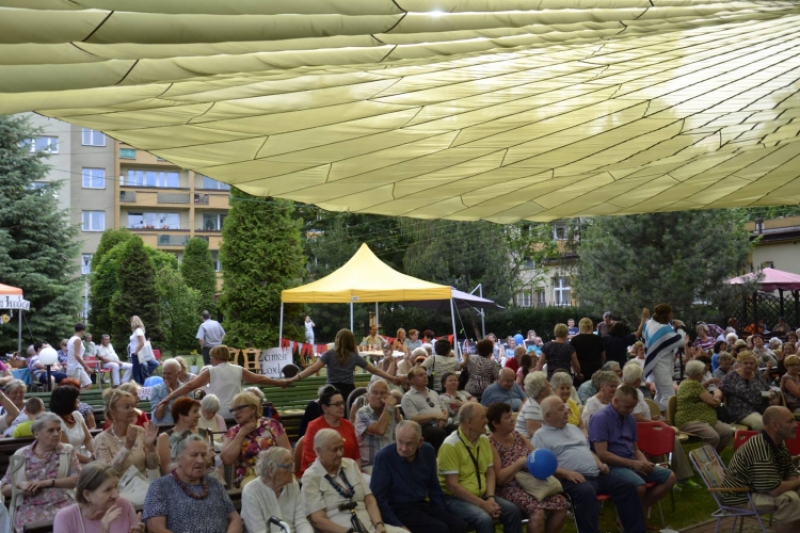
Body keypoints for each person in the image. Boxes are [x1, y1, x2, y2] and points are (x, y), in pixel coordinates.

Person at [533, 396, 646, 533]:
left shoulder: (573, 429)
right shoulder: (540, 437)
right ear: (548, 416)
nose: (566, 411)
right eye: (561, 409)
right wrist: (567, 473)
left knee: (627, 487)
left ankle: (636, 530)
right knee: (585, 492)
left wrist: (599, 463)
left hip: (596, 474)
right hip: (571, 479)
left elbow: (587, 450)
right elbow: (542, 466)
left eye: (565, 407)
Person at [589, 386, 676, 528]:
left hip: (631, 462)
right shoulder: (600, 418)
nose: (631, 410)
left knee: (669, 477)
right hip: (612, 466)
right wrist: (634, 464)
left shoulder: (629, 418)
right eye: (628, 407)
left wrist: (644, 462)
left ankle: (636, 512)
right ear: (616, 400)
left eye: (633, 407)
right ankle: (629, 520)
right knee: (638, 485)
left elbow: (635, 448)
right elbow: (602, 454)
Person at [437, 403, 522, 533]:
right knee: (484, 519)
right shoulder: (450, 445)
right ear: (469, 422)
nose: (487, 421)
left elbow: (490, 473)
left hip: (482, 495)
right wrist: (483, 504)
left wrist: (491, 498)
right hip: (455, 499)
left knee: (513, 511)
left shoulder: (483, 440)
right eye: (482, 417)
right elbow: (452, 485)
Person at [371, 420, 468, 533]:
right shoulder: (384, 456)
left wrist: (441, 511)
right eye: (400, 442)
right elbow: (378, 497)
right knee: (439, 529)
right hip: (398, 507)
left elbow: (433, 486)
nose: (403, 448)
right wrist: (398, 524)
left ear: (420, 442)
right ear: (395, 437)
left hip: (422, 504)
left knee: (459, 525)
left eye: (409, 443)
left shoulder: (428, 450)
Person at [486, 402, 569, 533]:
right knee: (538, 512)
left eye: (511, 416)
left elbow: (537, 456)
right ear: (495, 423)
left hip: (532, 482)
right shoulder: (491, 443)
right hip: (510, 487)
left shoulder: (518, 436)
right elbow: (500, 478)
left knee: (562, 505)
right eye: (507, 417)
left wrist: (561, 472)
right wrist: (519, 463)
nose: (512, 419)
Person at [302, 429, 402, 533]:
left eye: (341, 448)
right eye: (334, 450)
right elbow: (317, 520)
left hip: (370, 527)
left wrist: (379, 525)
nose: (340, 453)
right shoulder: (311, 477)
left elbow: (369, 499)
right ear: (318, 451)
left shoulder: (351, 465)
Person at [720, 406, 800, 533]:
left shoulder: (778, 443)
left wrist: (796, 482)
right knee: (790, 500)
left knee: (795, 493)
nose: (796, 425)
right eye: (789, 422)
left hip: (757, 489)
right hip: (740, 497)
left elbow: (789, 472)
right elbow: (775, 490)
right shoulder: (761, 448)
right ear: (775, 425)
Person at [158, 345, 291, 419]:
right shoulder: (239, 369)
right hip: (236, 413)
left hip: (216, 413)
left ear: (216, 357)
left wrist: (170, 396)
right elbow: (260, 378)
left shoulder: (211, 371)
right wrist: (281, 383)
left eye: (211, 357)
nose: (210, 360)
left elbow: (190, 386)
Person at [144, 434, 242, 533]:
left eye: (203, 455)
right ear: (178, 459)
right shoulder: (160, 487)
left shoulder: (214, 483)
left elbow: (235, 519)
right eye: (194, 455)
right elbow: (156, 528)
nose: (200, 460)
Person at [1, 413, 80, 533]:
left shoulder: (67, 451)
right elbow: (4, 488)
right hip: (29, 509)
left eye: (59, 430)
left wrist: (47, 483)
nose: (56, 434)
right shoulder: (21, 454)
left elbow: (77, 479)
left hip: (62, 505)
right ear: (36, 434)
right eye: (51, 430)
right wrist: (19, 486)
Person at [295, 328, 402, 402]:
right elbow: (374, 370)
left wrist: (293, 379)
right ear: (351, 341)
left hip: (330, 391)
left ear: (337, 339)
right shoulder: (354, 357)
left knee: (312, 407)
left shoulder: (329, 354)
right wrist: (392, 378)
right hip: (349, 393)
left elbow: (313, 369)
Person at [222, 391, 291, 488]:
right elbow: (226, 460)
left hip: (275, 471)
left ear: (253, 409)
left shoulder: (271, 425)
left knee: (290, 484)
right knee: (256, 487)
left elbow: (287, 451)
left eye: (240, 408)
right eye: (233, 410)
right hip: (248, 476)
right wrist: (241, 434)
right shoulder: (233, 432)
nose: (236, 413)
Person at [53, 461, 144, 533]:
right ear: (87, 495)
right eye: (107, 490)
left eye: (116, 486)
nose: (116, 495)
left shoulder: (123, 504)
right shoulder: (65, 518)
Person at [241, 447, 312, 533]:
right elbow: (259, 530)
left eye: (292, 465)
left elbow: (301, 521)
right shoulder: (251, 491)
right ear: (271, 471)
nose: (293, 470)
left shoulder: (293, 485)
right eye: (288, 466)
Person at [94, 389, 159, 476]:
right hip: (116, 488)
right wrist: (127, 447)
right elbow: (107, 473)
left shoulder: (139, 431)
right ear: (113, 413)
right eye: (127, 407)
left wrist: (150, 447)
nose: (132, 410)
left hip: (142, 486)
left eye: (132, 406)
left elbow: (152, 466)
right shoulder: (101, 440)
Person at [300, 387, 360, 477]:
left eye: (342, 403)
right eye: (337, 404)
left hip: (350, 473)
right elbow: (311, 461)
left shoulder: (348, 424)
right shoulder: (314, 427)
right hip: (322, 475)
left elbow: (357, 456)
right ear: (324, 408)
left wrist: (356, 475)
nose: (342, 407)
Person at [675, 360, 733, 451]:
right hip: (689, 420)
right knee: (713, 437)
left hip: (704, 419)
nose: (703, 375)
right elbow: (714, 403)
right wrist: (717, 394)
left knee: (727, 432)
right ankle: (702, 462)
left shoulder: (689, 383)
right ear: (698, 374)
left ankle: (713, 457)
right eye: (702, 373)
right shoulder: (693, 385)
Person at [718, 351, 778, 431]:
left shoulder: (758, 375)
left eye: (751, 363)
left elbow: (766, 390)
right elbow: (719, 389)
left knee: (780, 420)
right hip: (741, 410)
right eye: (745, 363)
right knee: (760, 424)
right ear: (739, 364)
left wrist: (771, 393)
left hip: (762, 408)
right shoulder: (731, 376)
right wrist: (716, 396)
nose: (749, 365)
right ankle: (760, 442)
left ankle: (779, 443)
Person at [643, 304, 686, 410]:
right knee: (668, 394)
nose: (671, 316)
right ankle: (666, 418)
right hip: (661, 364)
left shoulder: (649, 324)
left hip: (655, 363)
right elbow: (680, 341)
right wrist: (680, 327)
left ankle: (656, 414)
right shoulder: (664, 329)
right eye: (671, 314)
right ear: (667, 315)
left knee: (660, 393)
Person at [355, 379, 402, 472]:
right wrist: (388, 407)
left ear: (388, 396)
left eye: (383, 393)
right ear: (368, 396)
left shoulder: (393, 411)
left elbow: (404, 435)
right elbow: (380, 430)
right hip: (371, 465)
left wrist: (398, 417)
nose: (379, 396)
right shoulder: (362, 412)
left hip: (393, 462)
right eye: (374, 393)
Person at [156, 397, 211, 474]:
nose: (199, 415)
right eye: (195, 411)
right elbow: (167, 470)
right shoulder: (165, 437)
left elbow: (208, 463)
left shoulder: (203, 433)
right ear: (181, 414)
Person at [402, 367, 451, 451]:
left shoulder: (433, 392)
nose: (425, 376)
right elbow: (413, 418)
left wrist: (443, 419)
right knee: (438, 433)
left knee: (457, 429)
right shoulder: (408, 397)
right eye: (420, 375)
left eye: (425, 374)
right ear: (412, 380)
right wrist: (435, 416)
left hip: (440, 421)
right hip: (422, 426)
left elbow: (444, 409)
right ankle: (437, 459)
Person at [50, 385, 95, 464]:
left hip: (85, 456)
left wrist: (96, 454)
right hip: (68, 461)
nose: (78, 400)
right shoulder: (56, 422)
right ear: (67, 401)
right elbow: (68, 451)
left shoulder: (77, 415)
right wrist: (91, 461)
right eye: (76, 398)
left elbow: (88, 439)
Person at [149, 359, 186, 426]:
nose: (166, 376)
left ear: (178, 373)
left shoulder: (185, 389)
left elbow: (188, 414)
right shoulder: (156, 389)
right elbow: (158, 416)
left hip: (181, 428)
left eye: (169, 373)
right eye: (164, 373)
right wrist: (169, 396)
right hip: (162, 428)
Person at [515, 371, 550, 439]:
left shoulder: (537, 403)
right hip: (526, 444)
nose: (550, 385)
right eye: (548, 385)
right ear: (542, 391)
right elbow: (535, 434)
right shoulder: (532, 406)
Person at [571, 318, 606, 384]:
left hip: (581, 369)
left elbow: (573, 359)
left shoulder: (575, 340)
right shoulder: (598, 339)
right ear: (591, 326)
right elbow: (603, 356)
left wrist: (577, 372)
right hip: (595, 368)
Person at [129, 316, 157, 385]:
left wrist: (136, 352)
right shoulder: (137, 331)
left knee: (136, 372)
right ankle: (142, 385)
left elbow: (141, 343)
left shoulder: (138, 331)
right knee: (139, 371)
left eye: (131, 321)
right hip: (136, 353)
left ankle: (138, 386)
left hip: (137, 353)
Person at [67, 322, 94, 389]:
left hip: (78, 367)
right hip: (74, 368)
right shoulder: (77, 340)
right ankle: (74, 398)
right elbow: (77, 355)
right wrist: (86, 367)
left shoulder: (71, 339)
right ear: (82, 330)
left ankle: (77, 398)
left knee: (88, 384)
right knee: (73, 389)